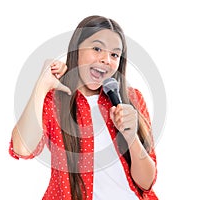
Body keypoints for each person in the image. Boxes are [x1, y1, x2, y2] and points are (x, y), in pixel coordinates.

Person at [9, 15, 158, 200]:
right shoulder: (55, 100)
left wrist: (131, 137)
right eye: (97, 48)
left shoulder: (132, 99)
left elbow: (146, 182)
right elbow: (22, 149)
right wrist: (42, 86)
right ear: (76, 48)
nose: (106, 59)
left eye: (114, 54)